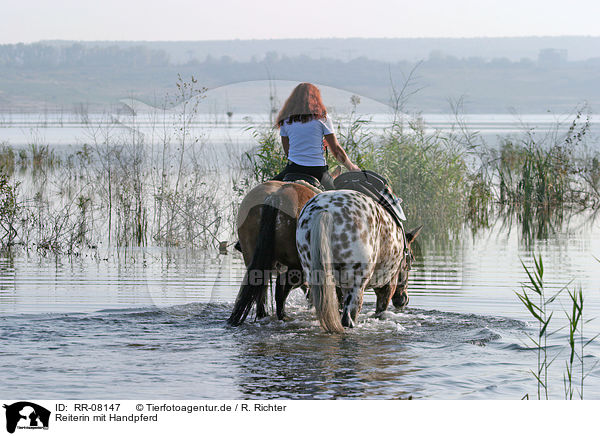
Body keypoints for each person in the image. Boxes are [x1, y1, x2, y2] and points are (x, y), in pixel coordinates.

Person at [272, 83, 360, 188]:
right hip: (318, 172)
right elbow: (336, 150)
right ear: (315, 98)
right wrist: (352, 167)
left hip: (293, 169)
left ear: (293, 100)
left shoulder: (286, 120)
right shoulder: (322, 118)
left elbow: (288, 152)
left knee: (266, 191)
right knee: (334, 198)